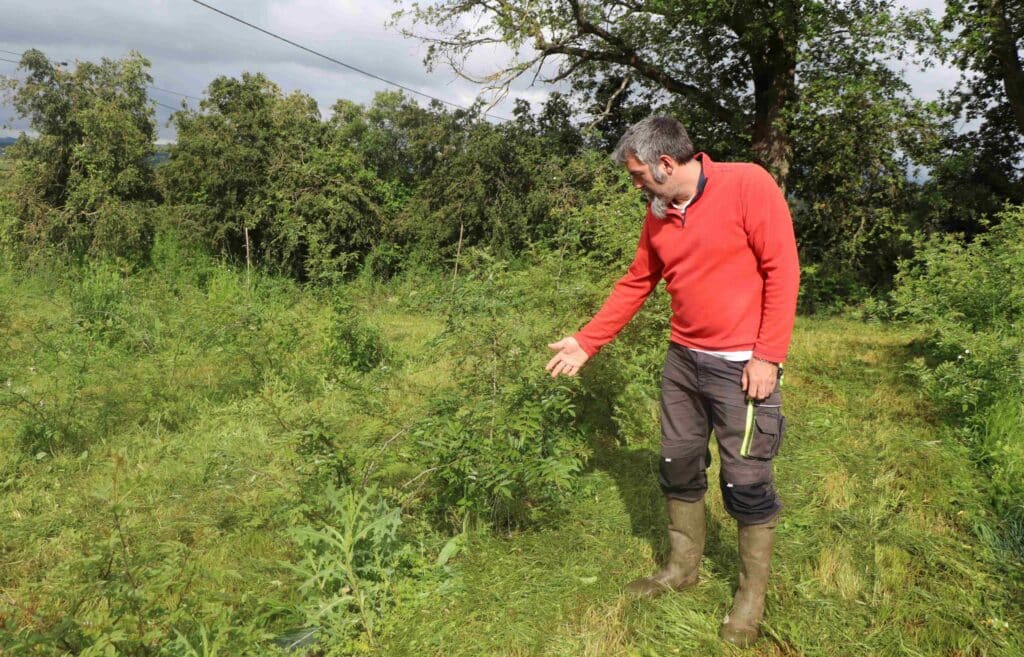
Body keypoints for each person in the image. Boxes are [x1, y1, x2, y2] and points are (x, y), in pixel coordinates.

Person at [545, 116, 799, 647]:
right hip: (683, 363)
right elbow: (639, 280)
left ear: (666, 163)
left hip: (742, 367)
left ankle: (749, 600)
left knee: (746, 483)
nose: (635, 184)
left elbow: (783, 269)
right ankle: (683, 568)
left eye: (638, 175)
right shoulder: (659, 212)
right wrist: (588, 340)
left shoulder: (749, 184)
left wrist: (767, 356)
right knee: (678, 464)